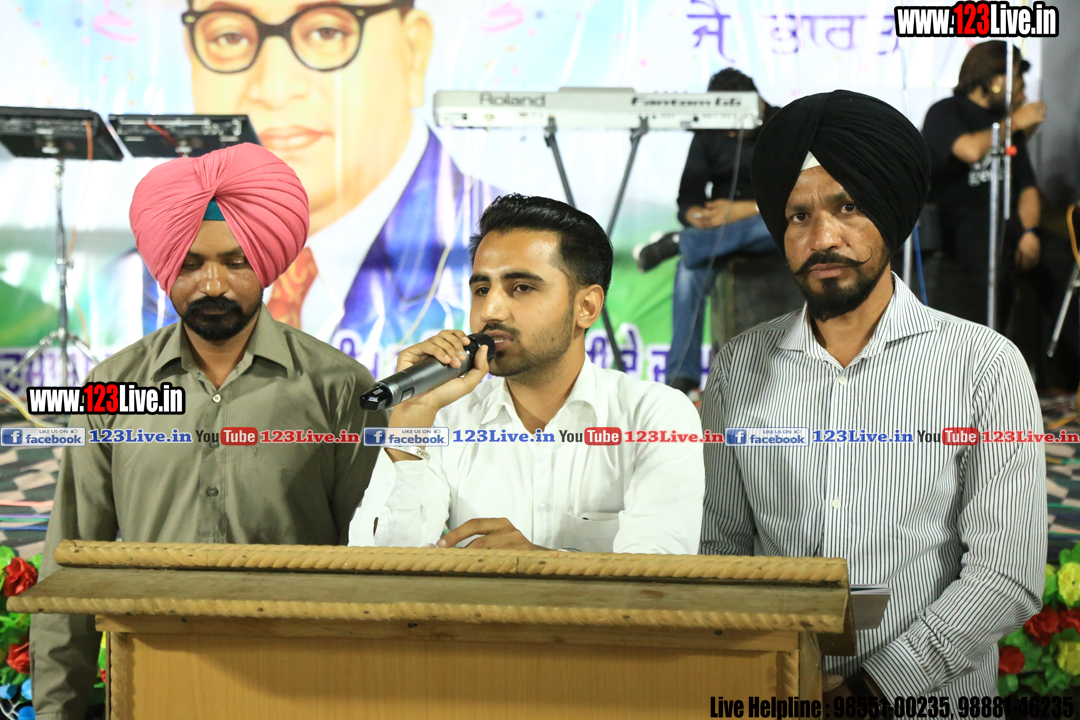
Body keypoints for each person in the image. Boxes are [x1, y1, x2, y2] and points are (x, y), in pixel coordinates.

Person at [701, 91, 1045, 703]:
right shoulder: (738, 368)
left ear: (890, 212)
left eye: (848, 206)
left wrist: (872, 691)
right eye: (798, 216)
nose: (822, 237)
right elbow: (723, 549)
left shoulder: (984, 366)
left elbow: (1006, 574)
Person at [31, 144, 387, 720]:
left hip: (300, 683)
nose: (213, 284)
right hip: (151, 682)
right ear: (165, 266)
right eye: (191, 264)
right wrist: (56, 711)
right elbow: (70, 557)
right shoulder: (111, 385)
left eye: (236, 262)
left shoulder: (339, 388)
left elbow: (371, 558)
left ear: (266, 263)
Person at [143, 0, 496, 378]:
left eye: (326, 32)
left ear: (413, 51)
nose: (275, 89)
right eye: (230, 36)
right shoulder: (130, 286)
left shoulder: (501, 255)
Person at [351, 194, 704, 553]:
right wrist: (411, 420)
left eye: (521, 288)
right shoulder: (445, 418)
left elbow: (660, 571)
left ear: (586, 306)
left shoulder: (655, 416)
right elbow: (378, 566)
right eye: (482, 289)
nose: (490, 310)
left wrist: (538, 565)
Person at [632, 68, 778, 399]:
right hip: (717, 235)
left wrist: (743, 209)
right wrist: (694, 216)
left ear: (756, 102)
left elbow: (799, 195)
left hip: (768, 224)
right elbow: (688, 196)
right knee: (689, 269)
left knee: (779, 222)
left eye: (736, 123)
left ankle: (679, 242)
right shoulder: (709, 129)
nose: (730, 132)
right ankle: (682, 380)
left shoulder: (784, 125)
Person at [921, 40, 1045, 326]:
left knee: (1060, 263)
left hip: (1010, 225)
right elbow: (970, 150)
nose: (1020, 85)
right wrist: (1015, 123)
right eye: (1016, 77)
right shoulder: (946, 111)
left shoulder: (1004, 123)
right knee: (992, 265)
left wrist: (1030, 231)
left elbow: (1027, 186)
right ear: (994, 80)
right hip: (963, 222)